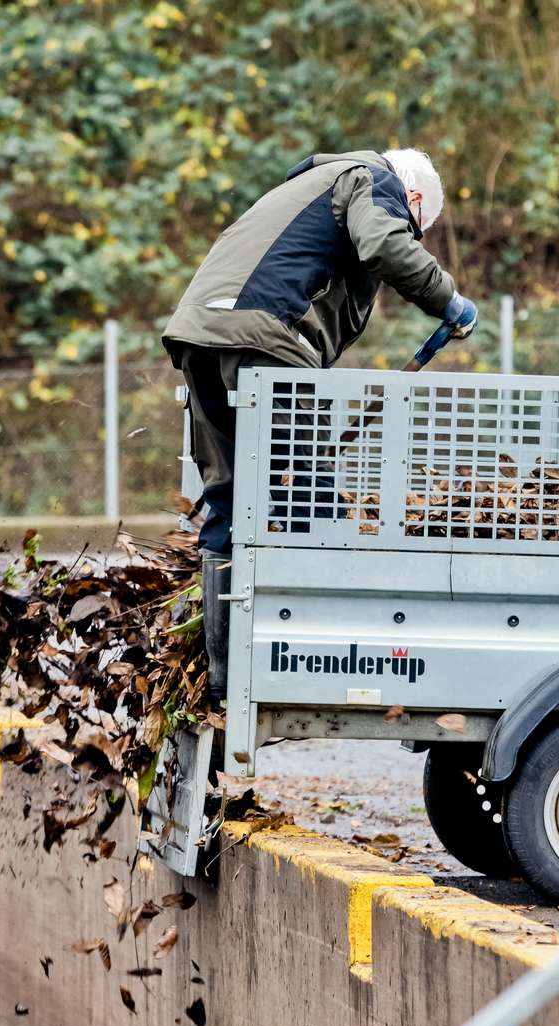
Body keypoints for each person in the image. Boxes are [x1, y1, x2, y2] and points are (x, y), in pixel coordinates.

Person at [161, 148, 476, 691]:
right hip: (263, 339)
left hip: (199, 334)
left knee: (229, 500)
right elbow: (383, 244)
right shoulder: (373, 180)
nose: (411, 230)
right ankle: (329, 661)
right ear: (415, 199)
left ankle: (221, 679)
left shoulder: (311, 186)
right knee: (310, 496)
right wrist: (448, 300)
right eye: (416, 226)